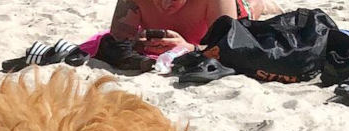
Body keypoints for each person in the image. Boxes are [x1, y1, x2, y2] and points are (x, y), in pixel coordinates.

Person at [109, 0, 283, 55]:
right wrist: (138, 42)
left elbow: (229, 45)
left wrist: (189, 48)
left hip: (231, 11)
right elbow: (118, 39)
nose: (164, 3)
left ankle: (263, 4)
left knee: (249, 10)